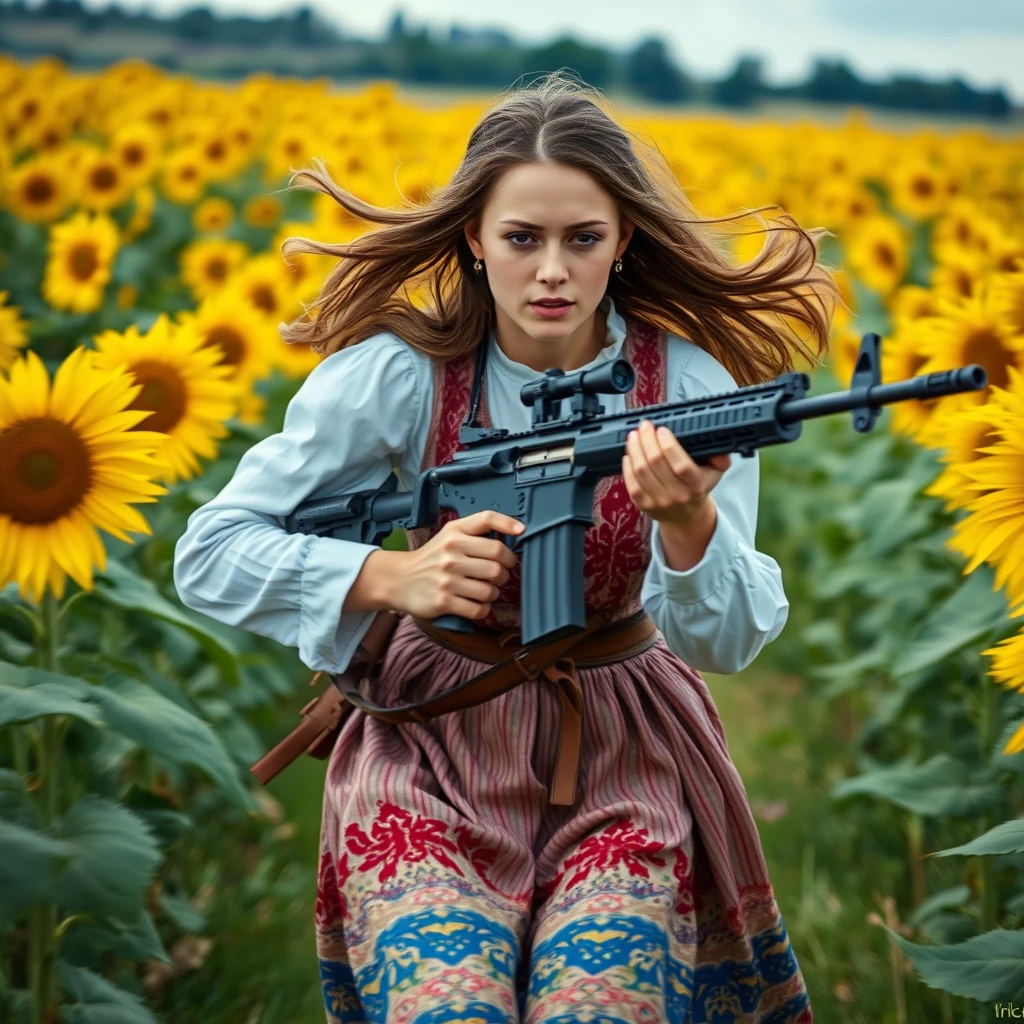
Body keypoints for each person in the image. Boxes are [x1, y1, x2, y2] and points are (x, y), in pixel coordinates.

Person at [173, 71, 839, 1024]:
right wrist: (391, 573)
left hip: (624, 755)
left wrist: (688, 526)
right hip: (429, 744)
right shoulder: (401, 378)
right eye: (523, 239)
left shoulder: (689, 386)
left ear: (626, 243)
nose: (553, 272)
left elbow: (727, 644)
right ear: (475, 244)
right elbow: (209, 552)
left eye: (584, 238)